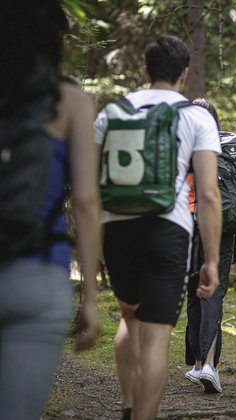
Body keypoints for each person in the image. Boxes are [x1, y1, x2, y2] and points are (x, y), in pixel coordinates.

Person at [94, 35, 222, 420]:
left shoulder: (112, 113)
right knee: (155, 336)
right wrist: (211, 260)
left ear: (146, 71)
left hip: (117, 228)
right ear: (184, 74)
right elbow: (210, 195)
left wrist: (98, 247)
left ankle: (126, 405)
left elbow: (95, 186)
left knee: (128, 316)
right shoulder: (196, 116)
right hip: (169, 230)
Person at [0, 1, 100, 419]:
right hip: (38, 273)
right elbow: (85, 201)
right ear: (55, 40)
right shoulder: (71, 101)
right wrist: (91, 299)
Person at [184, 98, 236, 394]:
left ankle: (201, 364)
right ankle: (205, 365)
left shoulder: (185, 146)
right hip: (219, 227)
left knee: (196, 292)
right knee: (211, 292)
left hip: (188, 225)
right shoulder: (225, 149)